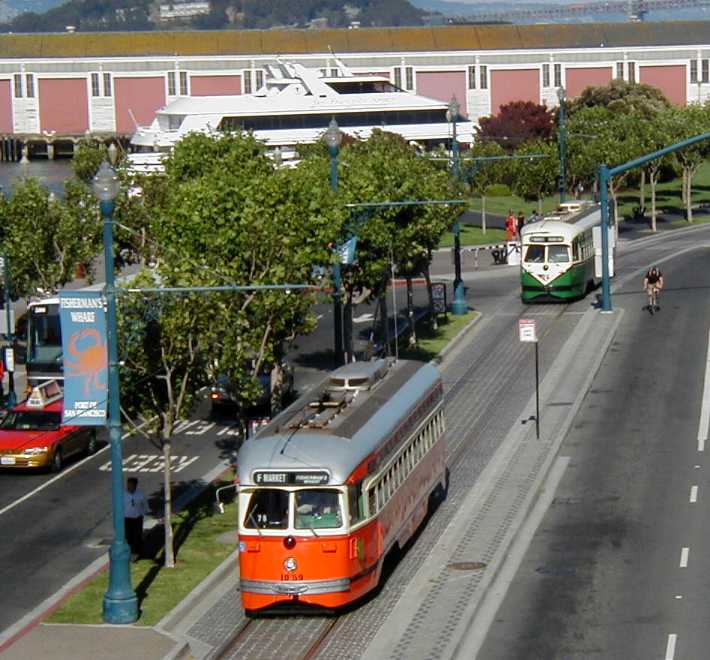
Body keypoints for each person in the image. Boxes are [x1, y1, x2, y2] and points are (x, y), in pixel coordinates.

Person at [124, 477, 149, 560]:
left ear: (135, 485)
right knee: (128, 536)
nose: (129, 487)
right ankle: (129, 552)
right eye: (128, 485)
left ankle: (137, 553)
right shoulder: (122, 494)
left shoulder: (140, 494)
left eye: (131, 485)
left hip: (137, 518)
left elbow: (145, 505)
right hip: (126, 518)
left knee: (137, 536)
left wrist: (144, 512)